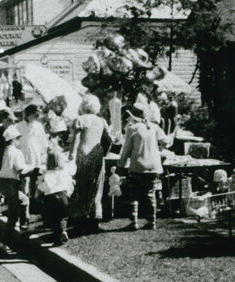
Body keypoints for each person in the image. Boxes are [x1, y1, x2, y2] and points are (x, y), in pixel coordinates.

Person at [117, 103, 169, 230]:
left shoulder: (133, 128)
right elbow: (166, 141)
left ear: (133, 116)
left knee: (134, 194)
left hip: (138, 165)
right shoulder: (155, 127)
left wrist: (121, 163)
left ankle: (134, 221)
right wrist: (158, 146)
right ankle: (152, 221)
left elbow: (127, 149)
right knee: (150, 193)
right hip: (153, 166)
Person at [69, 94, 111, 232]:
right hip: (97, 154)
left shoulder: (80, 120)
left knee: (81, 186)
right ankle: (94, 219)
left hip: (83, 154)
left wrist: (71, 156)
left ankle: (80, 218)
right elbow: (110, 139)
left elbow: (76, 140)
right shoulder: (102, 121)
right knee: (96, 187)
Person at [0, 124, 30, 248]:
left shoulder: (3, 151)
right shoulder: (16, 152)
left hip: (3, 183)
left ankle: (23, 227)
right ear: (13, 139)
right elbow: (21, 169)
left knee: (23, 201)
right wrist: (34, 169)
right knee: (13, 215)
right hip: (12, 184)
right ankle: (4, 242)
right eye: (18, 138)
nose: (19, 141)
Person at [39, 139, 75, 246]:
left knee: (53, 218)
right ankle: (64, 230)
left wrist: (39, 195)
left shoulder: (46, 174)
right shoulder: (64, 172)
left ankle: (57, 237)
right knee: (63, 216)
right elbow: (70, 185)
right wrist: (68, 194)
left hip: (50, 197)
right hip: (63, 195)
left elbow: (42, 188)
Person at [16, 103, 47, 212]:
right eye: (35, 115)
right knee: (25, 180)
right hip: (24, 156)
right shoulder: (19, 126)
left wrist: (43, 154)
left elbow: (43, 142)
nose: (37, 117)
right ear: (28, 115)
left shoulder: (39, 126)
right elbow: (16, 142)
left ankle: (33, 201)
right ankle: (24, 204)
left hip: (36, 157)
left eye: (38, 115)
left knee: (35, 180)